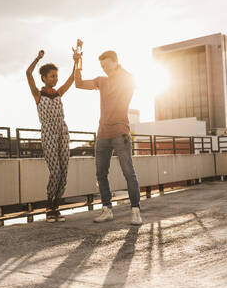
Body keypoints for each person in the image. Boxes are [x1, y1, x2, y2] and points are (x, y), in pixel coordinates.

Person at [73, 42, 143, 225]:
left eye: (106, 64)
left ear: (115, 62)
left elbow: (133, 80)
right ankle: (107, 210)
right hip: (102, 134)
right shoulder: (101, 81)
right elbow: (78, 84)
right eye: (101, 65)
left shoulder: (127, 78)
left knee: (129, 173)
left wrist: (118, 69)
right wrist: (77, 61)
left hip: (120, 132)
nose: (104, 68)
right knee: (100, 174)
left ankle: (136, 211)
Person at [26, 50, 76, 222]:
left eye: (56, 76)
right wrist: (37, 59)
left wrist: (76, 61)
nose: (55, 79)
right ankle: (49, 206)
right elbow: (28, 73)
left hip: (63, 130)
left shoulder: (58, 93)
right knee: (55, 170)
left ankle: (56, 206)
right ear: (45, 78)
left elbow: (72, 79)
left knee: (64, 171)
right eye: (52, 76)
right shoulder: (38, 94)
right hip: (48, 132)